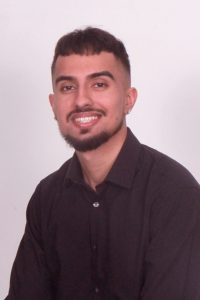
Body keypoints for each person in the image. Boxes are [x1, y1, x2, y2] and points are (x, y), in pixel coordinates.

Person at [5, 27, 200, 300]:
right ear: (53, 105)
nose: (81, 100)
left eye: (99, 84)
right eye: (68, 87)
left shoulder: (175, 194)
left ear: (128, 99)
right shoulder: (46, 197)